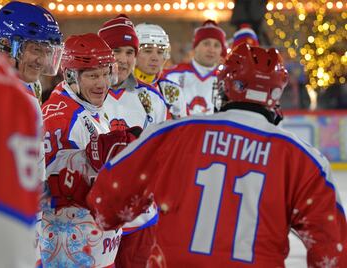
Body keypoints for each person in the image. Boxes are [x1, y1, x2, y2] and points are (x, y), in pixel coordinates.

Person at [86, 43, 347, 267]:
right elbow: (333, 251)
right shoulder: (304, 159)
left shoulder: (174, 134)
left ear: (225, 87)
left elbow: (105, 207)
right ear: (275, 97)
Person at [39, 33, 140, 267]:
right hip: (71, 253)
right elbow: (49, 192)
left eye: (106, 74)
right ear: (71, 75)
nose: (102, 83)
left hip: (92, 250)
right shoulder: (61, 118)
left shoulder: (85, 105)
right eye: (93, 76)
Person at [98, 14, 168, 268]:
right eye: (116, 50)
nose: (124, 59)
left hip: (140, 221)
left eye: (130, 52)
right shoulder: (83, 94)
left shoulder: (153, 100)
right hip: (96, 220)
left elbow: (164, 159)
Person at [0, 2, 41, 267]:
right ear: (10, 44)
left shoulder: (25, 88)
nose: (41, 60)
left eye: (46, 50)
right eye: (34, 49)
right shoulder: (6, 92)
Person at [163, 19, 226, 115]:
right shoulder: (172, 75)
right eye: (206, 43)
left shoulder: (225, 80)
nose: (211, 50)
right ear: (195, 47)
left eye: (216, 45)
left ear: (221, 50)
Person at [135, 22, 187, 119]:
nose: (155, 58)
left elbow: (182, 130)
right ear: (133, 54)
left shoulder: (173, 90)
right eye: (148, 51)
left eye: (160, 52)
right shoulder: (118, 89)